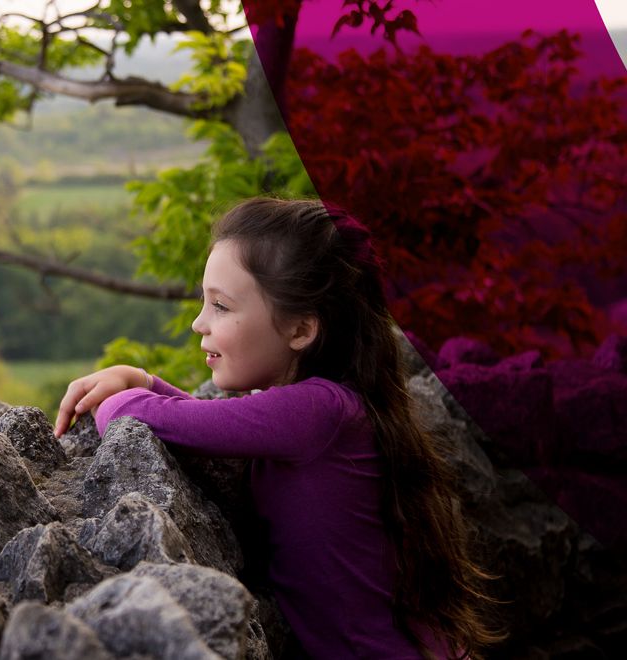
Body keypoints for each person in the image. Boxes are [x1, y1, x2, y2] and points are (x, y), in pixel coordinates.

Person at [51, 198, 506, 659]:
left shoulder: (316, 411)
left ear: (301, 329)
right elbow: (215, 425)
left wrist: (126, 394)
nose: (198, 323)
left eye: (221, 307)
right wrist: (145, 379)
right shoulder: (326, 408)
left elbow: (137, 418)